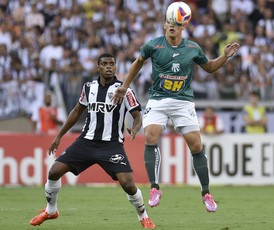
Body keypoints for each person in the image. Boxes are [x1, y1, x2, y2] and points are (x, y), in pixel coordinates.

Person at [113, 3, 240, 213]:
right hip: (159, 99)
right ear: (164, 25)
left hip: (183, 101)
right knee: (151, 136)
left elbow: (208, 67)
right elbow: (137, 63)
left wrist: (224, 56)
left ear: (182, 27)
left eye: (175, 24)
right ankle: (154, 188)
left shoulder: (192, 48)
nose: (171, 26)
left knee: (196, 145)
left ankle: (206, 192)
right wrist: (124, 86)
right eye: (169, 23)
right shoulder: (153, 45)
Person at [29, 53, 155, 229]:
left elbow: (137, 116)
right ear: (98, 67)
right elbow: (76, 112)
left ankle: (144, 216)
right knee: (54, 172)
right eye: (105, 64)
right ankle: (51, 210)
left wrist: (134, 129)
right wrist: (59, 136)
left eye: (112, 64)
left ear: (116, 67)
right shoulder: (89, 87)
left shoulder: (124, 90)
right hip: (86, 142)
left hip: (111, 145)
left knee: (127, 184)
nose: (109, 67)